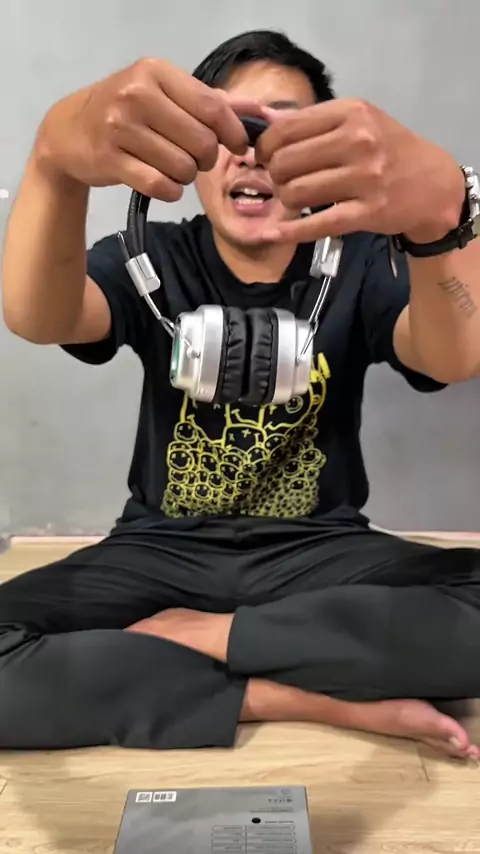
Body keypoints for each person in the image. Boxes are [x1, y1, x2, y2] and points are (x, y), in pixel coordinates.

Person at [1, 29, 480, 759]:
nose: (253, 151)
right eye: (229, 128)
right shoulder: (149, 256)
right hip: (161, 549)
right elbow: (39, 316)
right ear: (191, 154)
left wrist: (441, 217)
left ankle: (205, 647)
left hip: (319, 550)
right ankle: (295, 691)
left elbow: (455, 355)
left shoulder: (359, 261)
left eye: (284, 129)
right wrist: (53, 163)